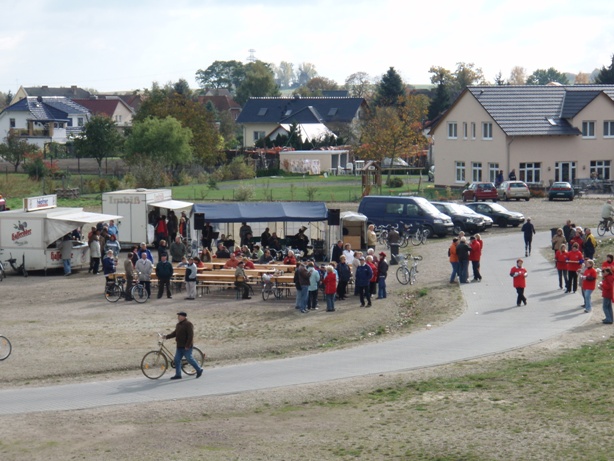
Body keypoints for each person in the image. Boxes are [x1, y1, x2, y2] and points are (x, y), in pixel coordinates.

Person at [164, 312, 203, 380]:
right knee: (177, 360)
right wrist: (166, 337)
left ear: (184, 317)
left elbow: (190, 335)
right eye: (178, 316)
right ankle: (178, 374)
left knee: (189, 359)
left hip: (186, 346)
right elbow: (175, 333)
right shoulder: (178, 325)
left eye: (179, 316)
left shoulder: (188, 324)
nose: (178, 317)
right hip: (179, 346)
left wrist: (187, 345)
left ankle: (199, 369)